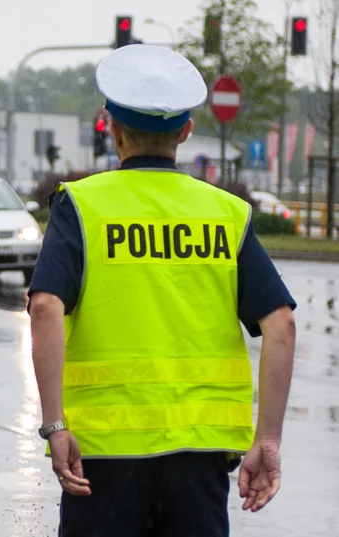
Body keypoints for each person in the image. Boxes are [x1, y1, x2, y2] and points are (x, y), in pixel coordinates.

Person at [28, 45, 296, 537]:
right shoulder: (226, 214)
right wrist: (269, 440)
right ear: (186, 132)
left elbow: (45, 306)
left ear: (112, 128)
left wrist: (55, 424)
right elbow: (281, 324)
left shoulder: (82, 207)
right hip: (199, 456)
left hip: (104, 457)